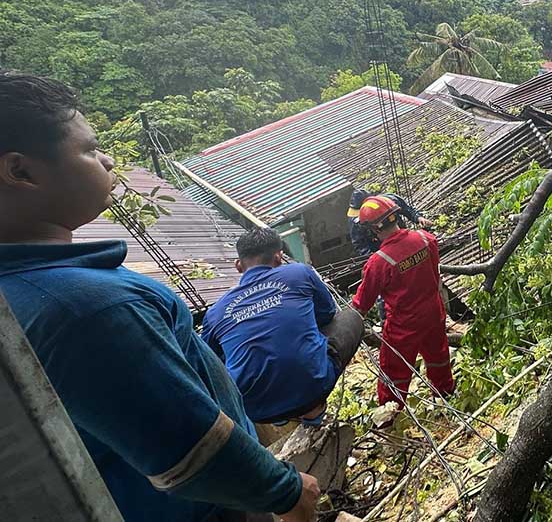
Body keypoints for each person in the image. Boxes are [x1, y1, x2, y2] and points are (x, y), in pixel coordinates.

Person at [0, 72, 319, 522]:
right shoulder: (88, 308)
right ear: (21, 171)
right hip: (212, 509)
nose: (109, 161)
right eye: (90, 149)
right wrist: (285, 493)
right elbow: (193, 453)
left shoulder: (24, 292)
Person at [201, 227, 364, 428]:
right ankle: (313, 412)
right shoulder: (299, 272)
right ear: (279, 258)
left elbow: (207, 361)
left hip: (255, 410)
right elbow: (327, 313)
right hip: (314, 387)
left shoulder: (215, 312)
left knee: (223, 355)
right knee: (351, 317)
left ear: (238, 266)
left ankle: (280, 414)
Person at [351, 195, 454, 405]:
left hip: (403, 325)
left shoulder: (378, 263)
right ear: (396, 216)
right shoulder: (426, 239)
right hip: (434, 312)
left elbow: (361, 304)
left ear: (373, 230)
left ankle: (390, 415)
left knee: (394, 371)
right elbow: (435, 275)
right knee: (438, 357)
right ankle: (444, 396)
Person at [348, 188, 430, 259]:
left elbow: (406, 209)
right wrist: (371, 255)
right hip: (380, 249)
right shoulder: (356, 222)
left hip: (401, 236)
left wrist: (418, 218)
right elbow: (359, 243)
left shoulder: (389, 201)